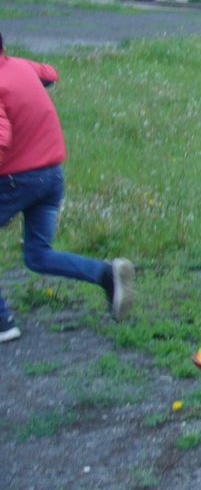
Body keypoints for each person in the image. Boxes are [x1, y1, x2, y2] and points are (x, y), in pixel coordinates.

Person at [0, 32, 134, 343]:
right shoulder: (19, 66)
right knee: (37, 255)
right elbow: (49, 73)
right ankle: (106, 275)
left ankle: (3, 323)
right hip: (50, 177)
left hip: (17, 180)